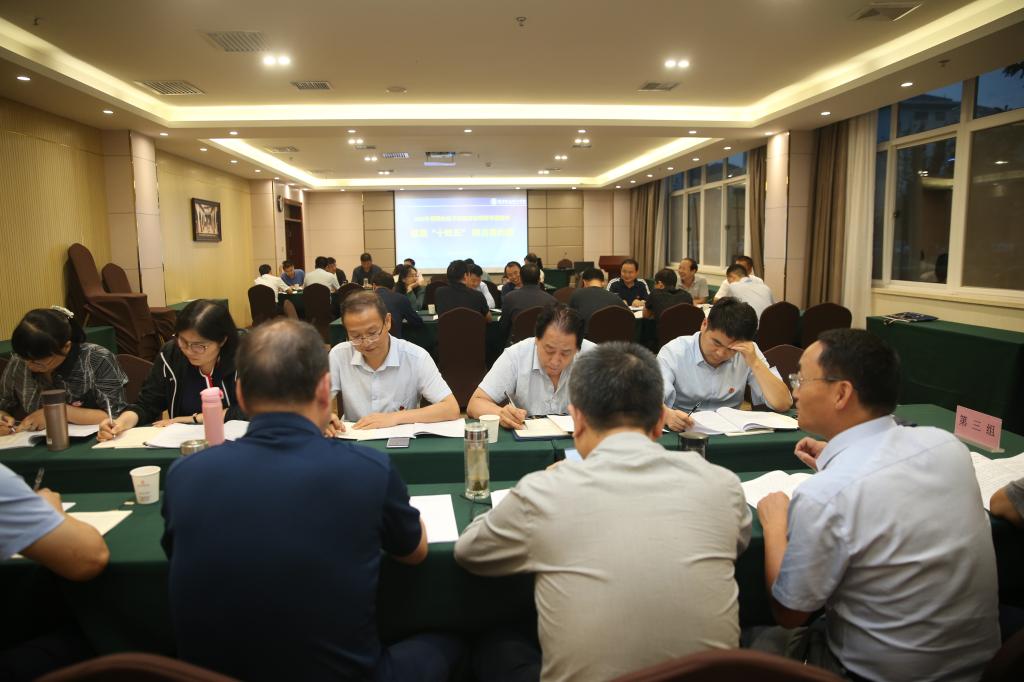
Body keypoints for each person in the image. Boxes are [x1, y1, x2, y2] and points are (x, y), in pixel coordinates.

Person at [161, 318, 463, 681]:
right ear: (324, 391)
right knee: (454, 640)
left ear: (238, 395)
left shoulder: (184, 475)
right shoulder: (367, 471)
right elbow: (415, 552)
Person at [456, 342, 751, 682]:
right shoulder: (722, 485)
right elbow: (738, 541)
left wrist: (534, 487)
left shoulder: (545, 492)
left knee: (494, 645)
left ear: (577, 419)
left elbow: (469, 551)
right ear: (660, 422)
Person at [752, 328, 999, 681]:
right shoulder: (948, 446)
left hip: (870, 674)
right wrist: (838, 459)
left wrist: (775, 523)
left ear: (841, 393)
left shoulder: (826, 494)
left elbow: (790, 612)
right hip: (979, 668)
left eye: (801, 379)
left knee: (753, 639)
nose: (795, 391)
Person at [99, 300, 244, 439]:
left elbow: (251, 410)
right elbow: (147, 404)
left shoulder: (246, 355)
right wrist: (121, 423)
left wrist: (192, 419)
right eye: (183, 341)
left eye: (199, 346)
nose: (188, 351)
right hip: (184, 442)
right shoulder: (171, 354)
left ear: (223, 340)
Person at [327, 292, 458, 432]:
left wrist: (394, 418)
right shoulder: (339, 355)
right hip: (354, 437)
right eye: (355, 336)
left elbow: (450, 408)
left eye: (372, 333)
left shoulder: (415, 357)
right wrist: (324, 418)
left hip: (400, 438)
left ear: (387, 321)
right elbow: (315, 405)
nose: (366, 342)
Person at [659, 298, 792, 432]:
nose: (721, 353)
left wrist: (755, 363)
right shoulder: (674, 352)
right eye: (716, 343)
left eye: (731, 349)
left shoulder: (748, 352)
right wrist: (666, 414)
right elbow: (650, 399)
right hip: (683, 430)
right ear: (704, 324)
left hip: (731, 433)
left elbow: (783, 403)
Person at [1, 307, 127, 433]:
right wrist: (2, 418)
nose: (28, 365)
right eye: (24, 358)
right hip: (35, 439)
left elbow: (116, 414)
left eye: (37, 361)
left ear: (66, 346)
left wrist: (58, 412)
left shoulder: (97, 359)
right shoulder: (19, 361)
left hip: (96, 438)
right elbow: (4, 402)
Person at [467, 304, 595, 428]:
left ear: (578, 348)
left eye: (565, 353)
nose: (555, 361)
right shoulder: (516, 356)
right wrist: (501, 414)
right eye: (549, 350)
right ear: (537, 340)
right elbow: (475, 403)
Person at [498, 264, 555, 342]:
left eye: (516, 273)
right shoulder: (552, 300)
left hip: (517, 343)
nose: (514, 277)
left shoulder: (509, 297)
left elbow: (503, 327)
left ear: (521, 278)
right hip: (543, 342)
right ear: (539, 279)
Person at [371, 271, 423, 339]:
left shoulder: (364, 301)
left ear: (374, 286)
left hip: (369, 341)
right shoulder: (401, 299)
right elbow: (417, 322)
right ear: (393, 287)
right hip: (393, 341)